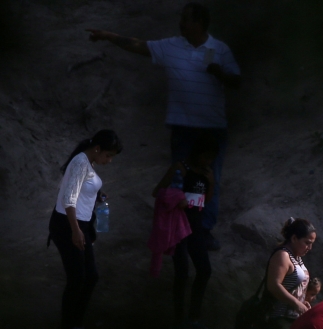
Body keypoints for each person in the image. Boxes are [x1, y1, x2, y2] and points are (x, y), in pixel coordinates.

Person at [86, 2, 240, 249]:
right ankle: (179, 230)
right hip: (183, 127)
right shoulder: (171, 46)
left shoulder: (219, 50)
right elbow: (138, 45)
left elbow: (237, 81)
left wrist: (220, 74)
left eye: (186, 19)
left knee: (209, 179)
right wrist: (108, 36)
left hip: (212, 128)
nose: (181, 23)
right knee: (179, 179)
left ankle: (201, 229)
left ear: (199, 23)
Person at [48, 130, 123, 329]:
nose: (109, 160)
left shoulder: (87, 162)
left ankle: (77, 325)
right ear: (97, 149)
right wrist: (75, 230)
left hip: (80, 225)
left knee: (90, 277)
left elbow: (81, 188)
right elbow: (68, 199)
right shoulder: (81, 162)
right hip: (67, 225)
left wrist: (97, 196)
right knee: (77, 278)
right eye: (108, 155)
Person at [151, 133, 218, 329]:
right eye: (205, 157)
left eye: (211, 158)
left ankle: (194, 319)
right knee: (182, 273)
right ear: (197, 153)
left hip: (196, 227)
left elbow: (206, 200)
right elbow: (158, 192)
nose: (208, 161)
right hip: (178, 227)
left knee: (204, 270)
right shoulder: (180, 168)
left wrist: (211, 181)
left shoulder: (207, 172)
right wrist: (176, 199)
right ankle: (179, 321)